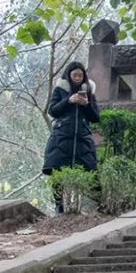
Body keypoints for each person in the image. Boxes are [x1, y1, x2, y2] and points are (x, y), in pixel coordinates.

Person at [42, 61, 100, 213]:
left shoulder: (89, 91)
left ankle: (91, 206)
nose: (78, 78)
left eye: (80, 75)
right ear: (69, 75)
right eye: (75, 75)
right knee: (58, 172)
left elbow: (95, 117)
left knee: (89, 170)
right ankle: (59, 206)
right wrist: (68, 100)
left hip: (82, 137)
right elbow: (53, 110)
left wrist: (87, 104)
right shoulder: (60, 89)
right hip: (62, 136)